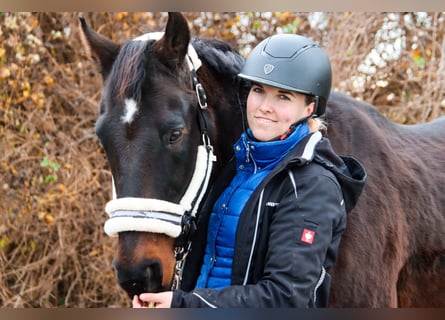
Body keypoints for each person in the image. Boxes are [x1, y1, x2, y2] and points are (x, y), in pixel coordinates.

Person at [133, 34, 367, 308]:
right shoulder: (238, 166)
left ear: (309, 108)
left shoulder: (312, 186)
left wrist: (184, 304)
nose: (264, 107)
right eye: (258, 90)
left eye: (283, 96)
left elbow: (286, 297)